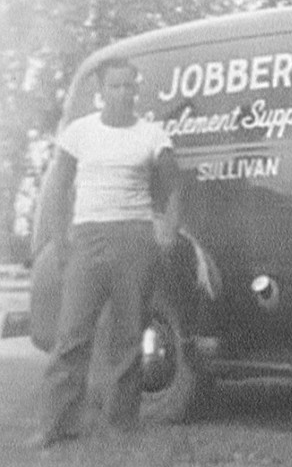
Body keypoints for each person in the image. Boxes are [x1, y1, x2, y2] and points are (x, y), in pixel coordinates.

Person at [30, 57, 181, 447]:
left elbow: (173, 187)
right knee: (72, 335)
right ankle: (55, 425)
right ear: (101, 92)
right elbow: (58, 187)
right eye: (115, 86)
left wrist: (166, 231)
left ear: (137, 89)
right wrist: (61, 244)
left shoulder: (152, 135)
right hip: (88, 237)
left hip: (134, 238)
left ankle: (121, 423)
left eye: (130, 86)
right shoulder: (80, 133)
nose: (124, 93)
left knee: (129, 335)